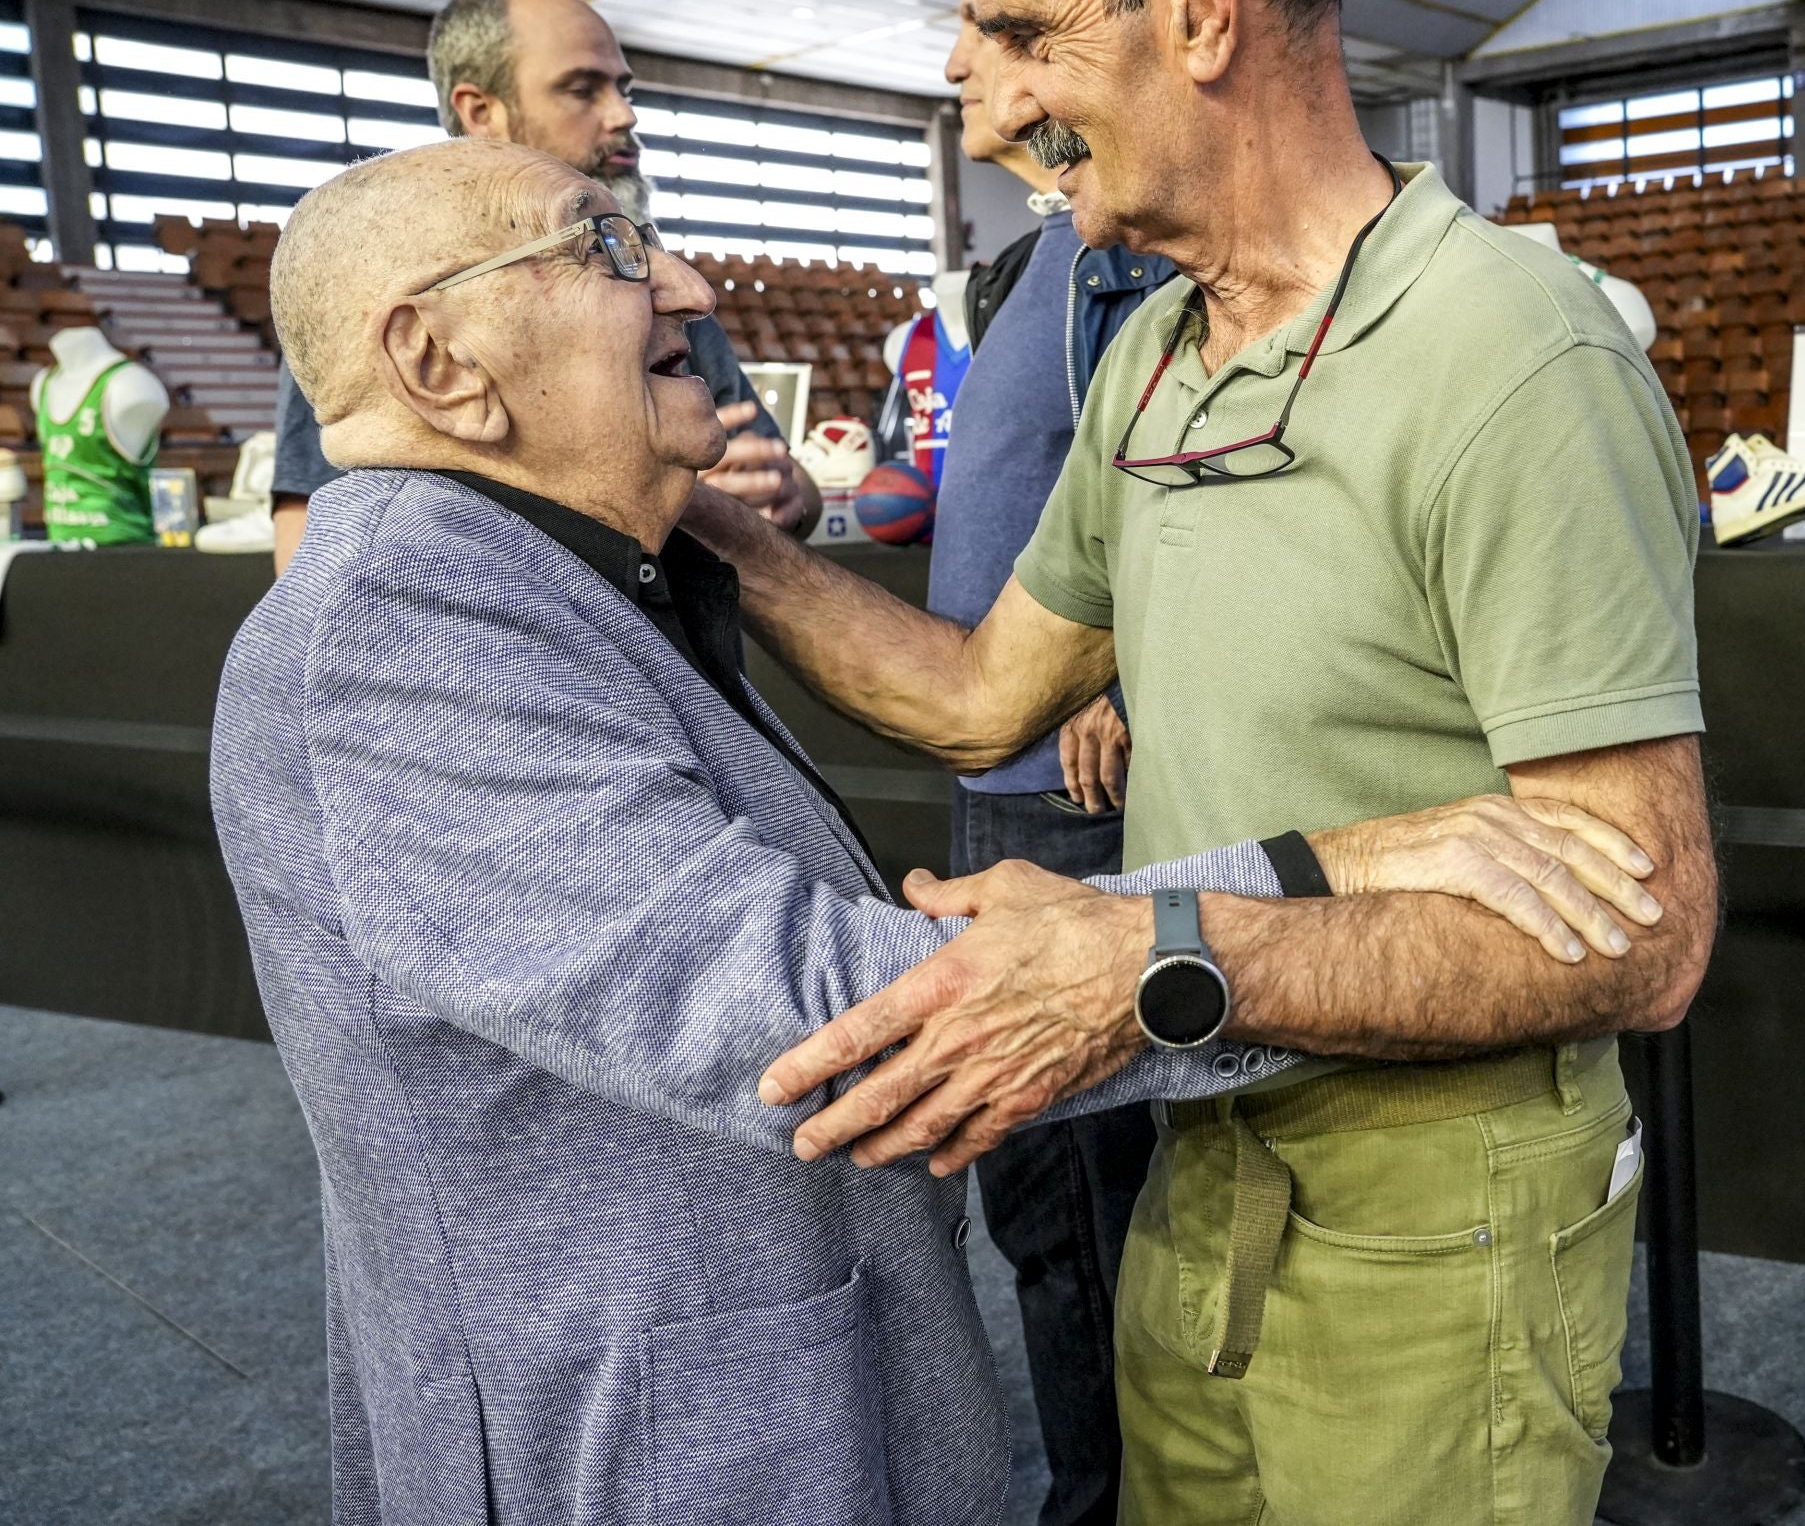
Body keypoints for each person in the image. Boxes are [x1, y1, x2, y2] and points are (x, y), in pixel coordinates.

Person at [212, 137, 1666, 1523]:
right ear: (436, 362)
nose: (690, 291)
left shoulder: (570, 580)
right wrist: (1323, 871)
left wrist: (717, 535)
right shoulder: (399, 629)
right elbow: (816, 1016)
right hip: (651, 1448)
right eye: (606, 246)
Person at [678, 0, 1716, 1526]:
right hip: (1204, 1132)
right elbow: (977, 690)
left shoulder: (1513, 353)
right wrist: (701, 523)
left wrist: (1155, 958)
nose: (968, 83)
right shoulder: (1158, 356)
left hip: (1435, 1204)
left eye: (1016, 28)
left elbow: (1649, 930)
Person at [918, 0, 1177, 1526]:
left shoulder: (1112, 257)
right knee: (1056, 1203)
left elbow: (1175, 483)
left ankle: (1116, 1502)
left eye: (990, 41)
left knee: (1079, 1206)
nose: (960, 70)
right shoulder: (1040, 256)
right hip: (998, 776)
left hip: (1063, 795)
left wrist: (1115, 675)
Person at [269, 0, 817, 573]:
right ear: (480, 111)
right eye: (582, 90)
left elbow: (791, 490)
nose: (624, 114)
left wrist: (774, 490)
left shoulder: (648, 289)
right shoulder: (373, 286)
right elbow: (310, 550)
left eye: (622, 88)